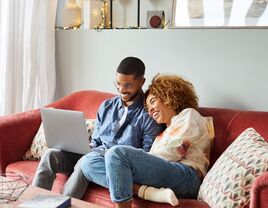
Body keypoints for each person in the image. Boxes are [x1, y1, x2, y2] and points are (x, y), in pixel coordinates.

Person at [32, 57, 164, 199]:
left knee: (86, 162)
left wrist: (102, 155)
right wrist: (83, 146)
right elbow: (96, 141)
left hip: (114, 165)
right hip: (94, 154)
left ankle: (63, 203)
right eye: (118, 84)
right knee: (51, 155)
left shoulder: (148, 115)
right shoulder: (107, 106)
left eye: (127, 85)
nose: (121, 90)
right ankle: (33, 202)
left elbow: (146, 157)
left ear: (141, 82)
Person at [104, 74, 215, 208]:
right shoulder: (161, 135)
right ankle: (146, 191)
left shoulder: (188, 115)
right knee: (89, 163)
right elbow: (155, 165)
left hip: (187, 177)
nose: (149, 110)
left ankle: (138, 190)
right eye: (147, 107)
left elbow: (175, 151)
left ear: (168, 97)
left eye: (152, 101)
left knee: (116, 154)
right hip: (167, 174)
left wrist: (131, 163)